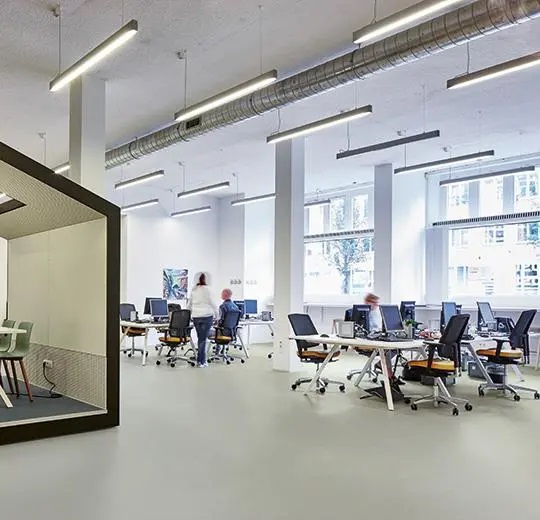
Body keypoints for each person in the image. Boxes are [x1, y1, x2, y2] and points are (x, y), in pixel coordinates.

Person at [188, 272, 218, 368]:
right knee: (203, 339)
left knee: (200, 338)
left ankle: (200, 360)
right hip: (206, 316)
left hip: (196, 317)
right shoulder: (208, 289)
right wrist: (217, 317)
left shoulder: (194, 289)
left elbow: (189, 304)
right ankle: (201, 361)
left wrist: (188, 315)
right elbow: (213, 304)